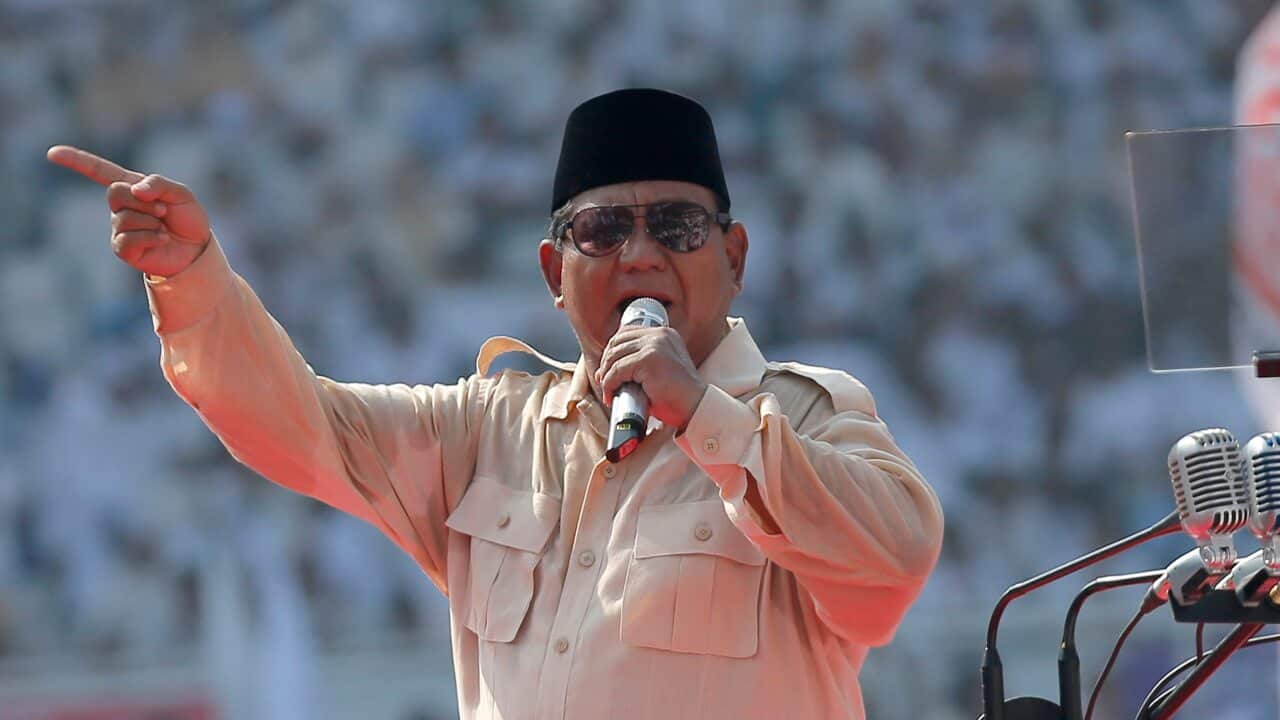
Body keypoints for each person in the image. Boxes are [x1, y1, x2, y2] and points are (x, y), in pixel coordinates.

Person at [48, 88, 944, 720]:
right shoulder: (489, 430)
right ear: (556, 273)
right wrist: (194, 283)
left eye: (675, 227)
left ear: (734, 257)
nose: (638, 255)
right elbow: (299, 424)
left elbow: (893, 567)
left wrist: (706, 416)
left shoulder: (800, 416)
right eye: (601, 230)